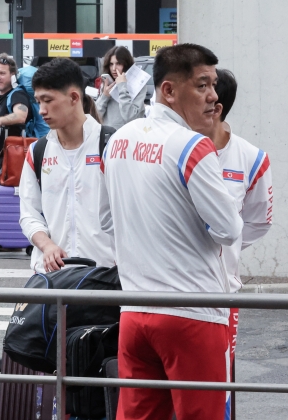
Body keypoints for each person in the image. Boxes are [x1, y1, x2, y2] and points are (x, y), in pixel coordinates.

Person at [98, 44, 243, 420]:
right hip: (193, 312)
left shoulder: (118, 139)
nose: (213, 96)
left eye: (212, 85)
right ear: (169, 90)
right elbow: (229, 229)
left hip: (135, 311)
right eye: (202, 85)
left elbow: (106, 222)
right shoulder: (192, 145)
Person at [197, 68, 273, 419]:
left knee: (216, 389)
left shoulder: (251, 158)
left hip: (222, 293)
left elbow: (258, 221)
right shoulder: (175, 147)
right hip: (166, 291)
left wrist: (225, 248)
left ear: (216, 105)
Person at [18, 58, 114, 273]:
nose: (41, 110)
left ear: (73, 97)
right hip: (53, 275)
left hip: (105, 275)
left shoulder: (111, 144)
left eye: (48, 100)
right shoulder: (38, 151)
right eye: (38, 101)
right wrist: (47, 246)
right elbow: (28, 213)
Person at [0, 53, 31, 158]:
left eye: (2, 73)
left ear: (12, 74)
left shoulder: (17, 95)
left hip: (14, 156)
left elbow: (21, 116)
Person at [95, 46, 147, 130]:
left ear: (126, 64)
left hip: (128, 136)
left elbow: (130, 117)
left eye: (118, 64)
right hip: (107, 136)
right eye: (111, 64)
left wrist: (122, 87)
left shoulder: (138, 85)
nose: (114, 68)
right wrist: (104, 96)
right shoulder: (107, 83)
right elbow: (96, 116)